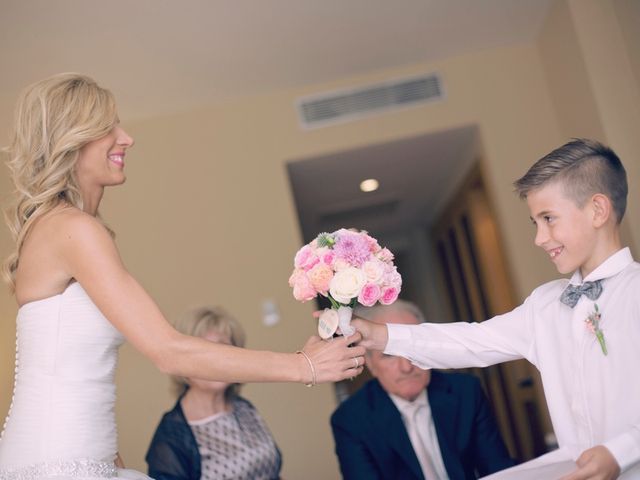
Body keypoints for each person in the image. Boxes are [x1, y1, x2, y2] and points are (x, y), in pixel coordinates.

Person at [0, 73, 364, 478]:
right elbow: (168, 351)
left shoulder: (65, 228)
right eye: (107, 128)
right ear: (71, 139)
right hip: (55, 462)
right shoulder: (72, 229)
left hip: (81, 456)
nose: (126, 138)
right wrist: (304, 366)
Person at [353, 139, 640, 479]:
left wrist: (621, 453)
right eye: (536, 223)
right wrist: (378, 335)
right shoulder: (545, 305)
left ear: (597, 210)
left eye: (549, 219)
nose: (540, 238)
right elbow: (470, 341)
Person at [331, 300, 515, 480]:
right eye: (389, 356)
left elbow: (498, 468)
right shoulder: (350, 420)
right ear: (370, 363)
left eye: (413, 350)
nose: (406, 367)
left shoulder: (466, 392)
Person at [146, 306, 282, 479]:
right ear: (180, 363)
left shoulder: (243, 408)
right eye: (203, 353)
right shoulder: (170, 437)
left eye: (222, 350)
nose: (215, 364)